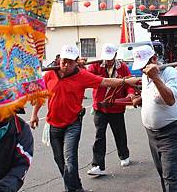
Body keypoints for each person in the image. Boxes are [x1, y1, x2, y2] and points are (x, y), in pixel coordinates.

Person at [30, 45, 139, 192]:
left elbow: (105, 81)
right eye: (64, 61)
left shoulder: (82, 76)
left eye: (70, 61)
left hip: (72, 124)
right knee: (60, 161)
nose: (66, 65)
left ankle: (73, 188)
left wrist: (125, 82)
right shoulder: (50, 74)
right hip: (53, 125)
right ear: (59, 60)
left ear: (76, 62)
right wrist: (34, 114)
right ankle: (76, 188)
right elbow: (41, 95)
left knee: (70, 160)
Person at [131, 45, 177, 192]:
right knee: (162, 173)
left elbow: (170, 100)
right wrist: (140, 99)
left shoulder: (170, 73)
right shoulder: (144, 75)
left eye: (145, 66)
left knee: (170, 176)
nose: (143, 70)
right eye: (141, 67)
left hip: (170, 132)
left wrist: (155, 78)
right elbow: (152, 97)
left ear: (154, 59)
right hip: (152, 133)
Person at [86, 43, 135, 177]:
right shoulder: (95, 66)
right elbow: (86, 77)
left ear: (115, 55)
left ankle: (124, 155)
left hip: (117, 107)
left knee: (119, 133)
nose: (107, 60)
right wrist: (79, 67)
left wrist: (130, 93)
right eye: (105, 57)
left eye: (110, 57)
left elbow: (130, 82)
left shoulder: (123, 67)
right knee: (99, 136)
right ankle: (97, 165)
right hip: (100, 107)